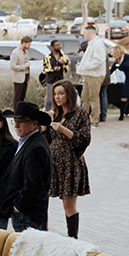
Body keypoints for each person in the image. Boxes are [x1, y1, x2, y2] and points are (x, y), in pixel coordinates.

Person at [47, 80, 91, 239]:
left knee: (68, 204)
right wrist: (45, 128)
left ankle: (73, 238)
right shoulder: (55, 114)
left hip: (71, 164)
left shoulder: (81, 114)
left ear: (69, 95)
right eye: (55, 94)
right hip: (54, 163)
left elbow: (84, 140)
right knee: (45, 200)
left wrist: (63, 129)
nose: (57, 97)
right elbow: (48, 140)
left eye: (61, 93)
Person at [2, 102, 53, 232]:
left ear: (35, 124)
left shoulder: (36, 148)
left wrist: (18, 206)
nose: (16, 125)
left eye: (22, 121)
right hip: (26, 213)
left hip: (28, 215)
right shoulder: (28, 141)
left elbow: (33, 185)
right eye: (15, 121)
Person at [76, 25, 107, 125]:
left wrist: (85, 67)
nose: (84, 35)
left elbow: (99, 61)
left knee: (93, 98)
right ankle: (84, 118)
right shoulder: (91, 44)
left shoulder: (98, 44)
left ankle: (94, 119)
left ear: (89, 33)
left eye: (84, 33)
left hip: (95, 75)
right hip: (88, 74)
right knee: (84, 97)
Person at [41, 40, 69, 111]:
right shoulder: (48, 57)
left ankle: (59, 114)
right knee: (50, 100)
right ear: (52, 47)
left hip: (60, 81)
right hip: (50, 80)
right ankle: (47, 114)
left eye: (59, 45)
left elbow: (67, 69)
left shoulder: (64, 57)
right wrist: (53, 69)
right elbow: (44, 69)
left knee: (60, 99)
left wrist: (63, 64)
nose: (59, 47)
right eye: (57, 45)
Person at [9, 36, 32, 110]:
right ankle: (16, 113)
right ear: (24, 43)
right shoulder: (15, 52)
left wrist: (28, 77)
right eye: (28, 44)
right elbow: (13, 67)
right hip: (18, 78)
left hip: (25, 77)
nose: (29, 46)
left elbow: (28, 65)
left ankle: (21, 112)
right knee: (18, 97)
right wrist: (23, 66)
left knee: (23, 96)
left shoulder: (26, 52)